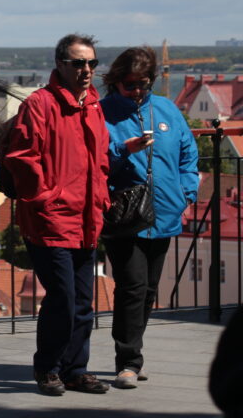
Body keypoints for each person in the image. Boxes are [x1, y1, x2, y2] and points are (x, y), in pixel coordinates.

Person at [3, 33, 111, 396]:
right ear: (60, 64)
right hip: (51, 221)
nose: (87, 70)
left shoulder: (94, 105)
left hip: (87, 219)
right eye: (79, 63)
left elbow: (100, 161)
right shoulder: (40, 104)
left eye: (92, 63)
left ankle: (75, 369)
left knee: (83, 301)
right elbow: (21, 157)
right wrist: (47, 198)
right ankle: (48, 367)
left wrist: (102, 201)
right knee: (62, 298)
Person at [100, 46, 198, 389]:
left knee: (148, 290)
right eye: (130, 85)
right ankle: (128, 361)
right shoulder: (103, 114)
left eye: (143, 84)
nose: (137, 91)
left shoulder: (167, 108)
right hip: (124, 215)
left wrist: (188, 193)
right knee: (132, 286)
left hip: (166, 212)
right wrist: (124, 150)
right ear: (117, 83)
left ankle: (132, 353)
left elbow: (188, 156)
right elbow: (93, 162)